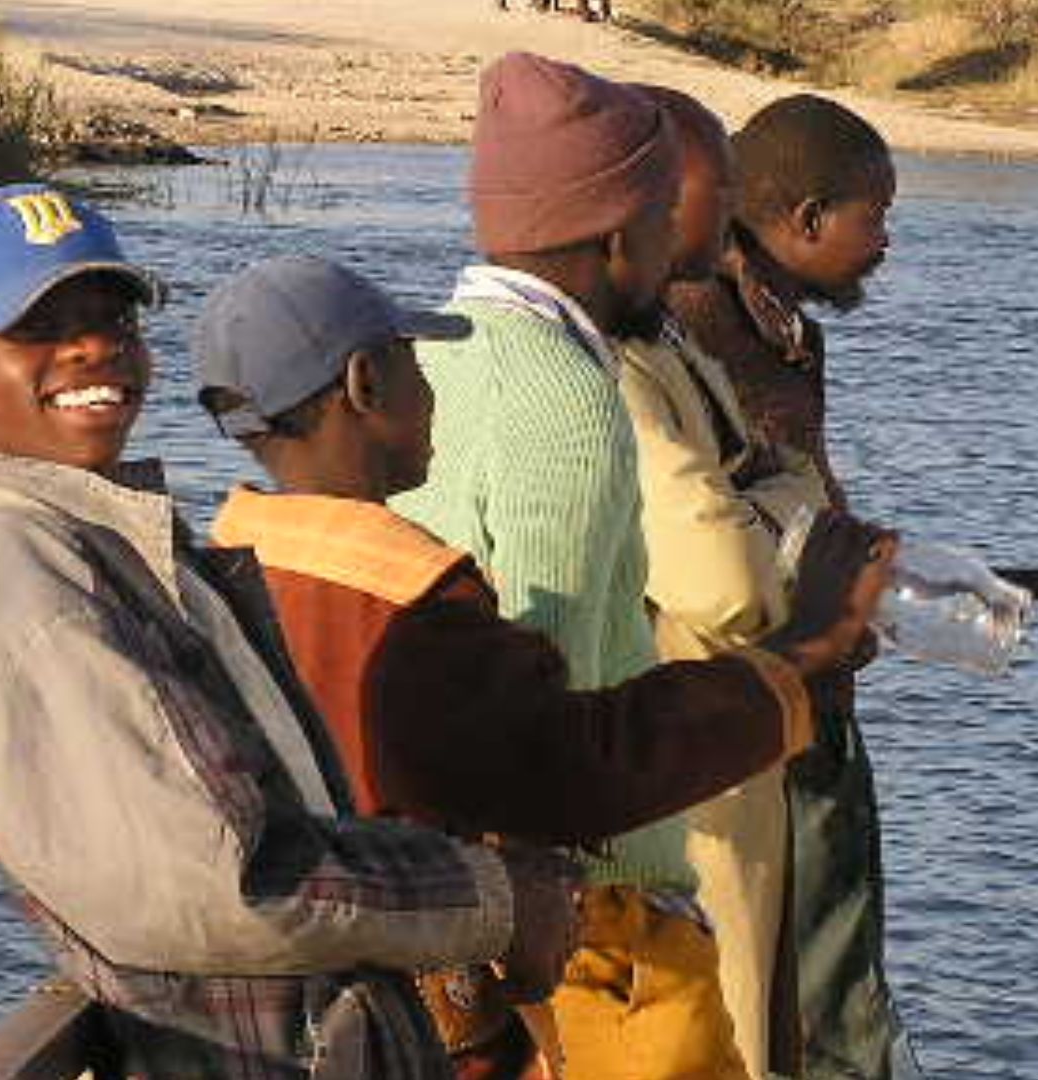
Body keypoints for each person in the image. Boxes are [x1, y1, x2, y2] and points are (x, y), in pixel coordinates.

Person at [0, 183, 579, 1078]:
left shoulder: (102, 539)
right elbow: (226, 882)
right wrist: (495, 901)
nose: (94, 347)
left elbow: (273, 827)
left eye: (114, 319)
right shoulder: (27, 571)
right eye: (40, 326)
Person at [193, 254, 893, 1072]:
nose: (436, 395)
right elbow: (579, 765)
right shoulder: (410, 610)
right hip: (428, 1018)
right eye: (416, 365)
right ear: (364, 385)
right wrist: (801, 650)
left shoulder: (220, 582)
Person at [390, 53, 826, 1077]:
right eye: (665, 212)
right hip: (592, 923)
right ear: (617, 230)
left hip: (471, 892)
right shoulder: (570, 393)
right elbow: (559, 687)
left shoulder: (443, 345)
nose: (691, 241)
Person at [667, 95, 920, 1079]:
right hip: (763, 696)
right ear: (807, 220)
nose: (887, 241)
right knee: (820, 983)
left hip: (794, 687)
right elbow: (724, 525)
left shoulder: (772, 323)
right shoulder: (704, 322)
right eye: (876, 216)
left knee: (819, 968)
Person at [613, 87, 834, 1080]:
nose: (728, 207)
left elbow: (780, 480)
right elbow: (728, 573)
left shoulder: (673, 340)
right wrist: (788, 518)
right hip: (686, 763)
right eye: (715, 187)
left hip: (737, 747)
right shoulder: (626, 362)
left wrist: (773, 500)